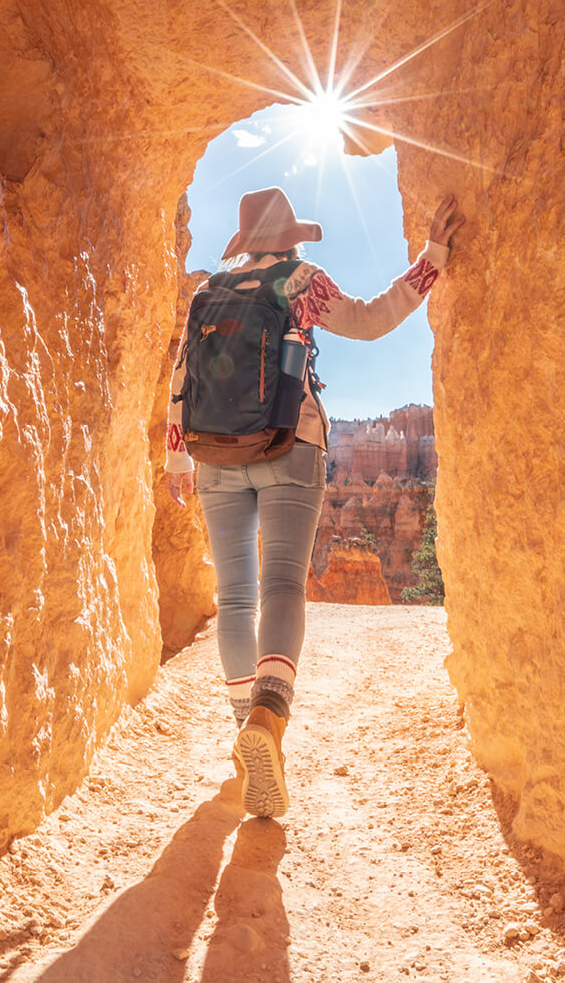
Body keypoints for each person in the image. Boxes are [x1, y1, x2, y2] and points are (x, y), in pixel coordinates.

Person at [166, 186, 463, 819]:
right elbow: (373, 318)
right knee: (281, 588)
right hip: (289, 442)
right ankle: (268, 727)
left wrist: (176, 458)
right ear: (291, 237)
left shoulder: (209, 290)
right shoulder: (301, 280)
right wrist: (432, 257)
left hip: (214, 454)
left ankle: (244, 724)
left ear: (245, 241)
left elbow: (182, 377)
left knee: (236, 598)